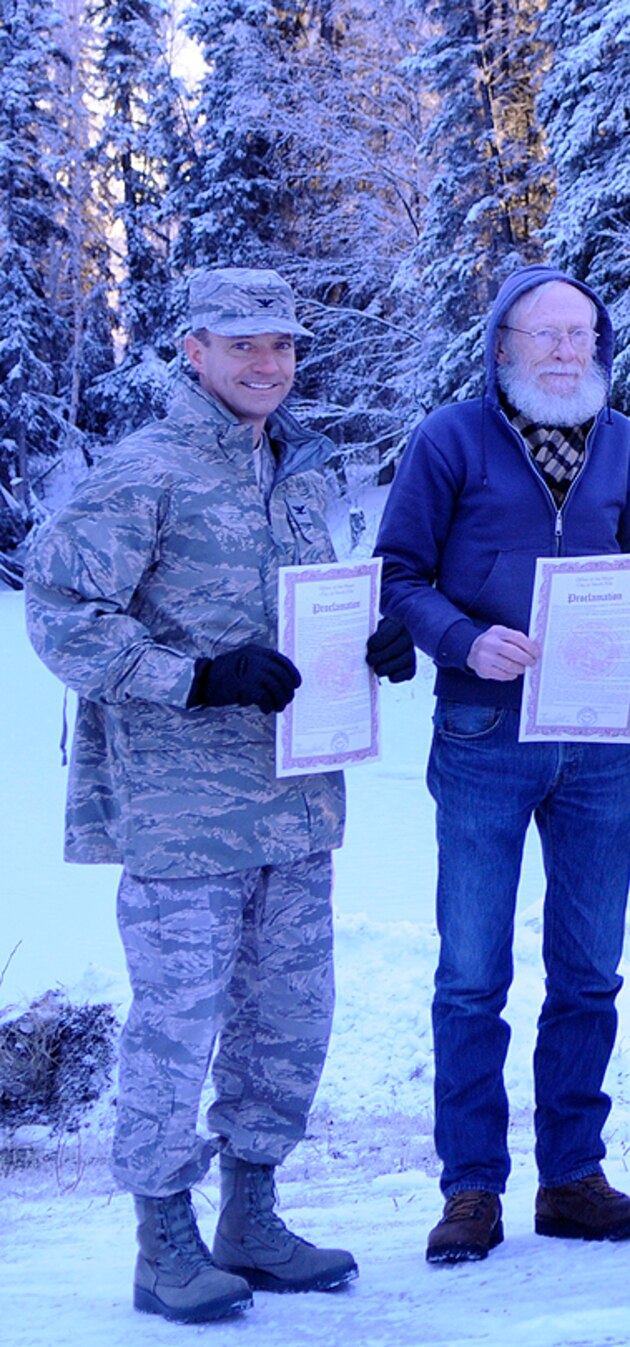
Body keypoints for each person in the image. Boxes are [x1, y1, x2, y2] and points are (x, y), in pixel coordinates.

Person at [25, 268, 415, 1323]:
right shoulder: (145, 470)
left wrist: (371, 644)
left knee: (287, 1019)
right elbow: (61, 613)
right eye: (243, 345)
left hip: (295, 800)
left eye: (282, 346)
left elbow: (307, 611)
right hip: (183, 809)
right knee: (178, 1023)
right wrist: (193, 677)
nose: (267, 364)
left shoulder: (299, 470)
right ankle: (163, 1242)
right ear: (193, 350)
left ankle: (253, 1214)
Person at [375, 264, 630, 1263]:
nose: (564, 351)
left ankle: (573, 1177)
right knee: (471, 974)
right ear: (503, 343)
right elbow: (398, 575)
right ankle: (471, 1190)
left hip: (595, 735)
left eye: (579, 335)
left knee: (589, 970)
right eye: (544, 334)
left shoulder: (625, 444)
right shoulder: (450, 438)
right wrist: (461, 639)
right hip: (481, 730)